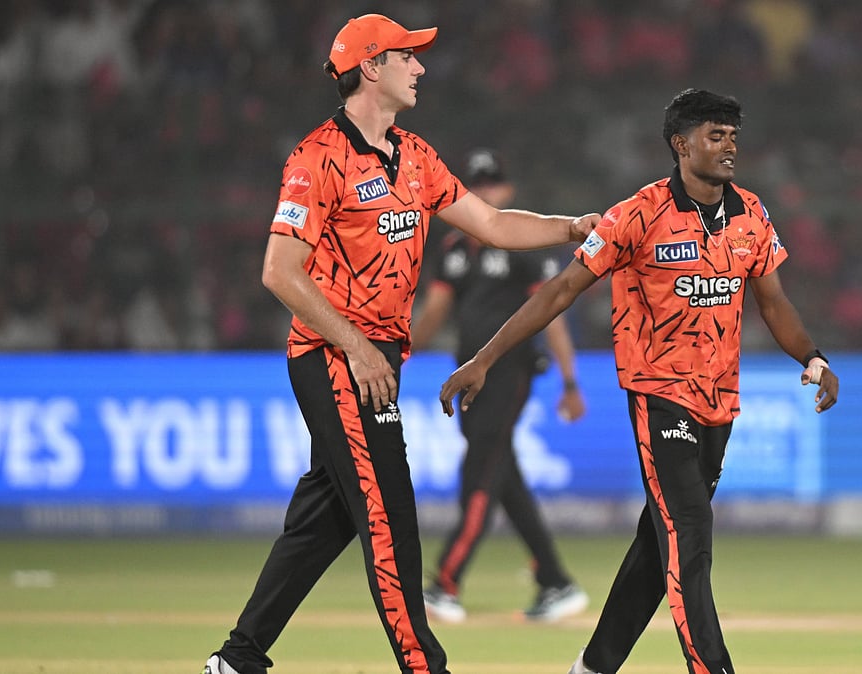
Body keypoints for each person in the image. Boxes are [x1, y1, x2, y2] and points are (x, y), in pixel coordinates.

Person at [202, 13, 599, 674]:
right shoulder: (316, 159)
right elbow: (279, 271)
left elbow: (494, 223)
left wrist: (570, 227)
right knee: (390, 515)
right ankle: (425, 666)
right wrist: (358, 349)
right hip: (336, 360)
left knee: (325, 518)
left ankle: (237, 660)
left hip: (374, 359)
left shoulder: (415, 157)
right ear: (369, 67)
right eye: (406, 57)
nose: (419, 67)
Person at [438, 89, 839, 674]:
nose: (729, 147)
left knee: (659, 547)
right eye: (715, 135)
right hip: (657, 398)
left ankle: (594, 666)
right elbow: (560, 290)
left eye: (733, 135)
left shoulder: (752, 214)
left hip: (719, 403)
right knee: (691, 533)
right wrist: (485, 358)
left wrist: (814, 356)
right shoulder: (636, 215)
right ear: (681, 144)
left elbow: (773, 302)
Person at [413, 148, 590, 623]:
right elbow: (433, 313)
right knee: (500, 474)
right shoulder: (453, 249)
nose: (486, 193)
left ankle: (445, 583)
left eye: (493, 186)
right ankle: (556, 581)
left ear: (507, 192)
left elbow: (552, 313)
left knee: (480, 472)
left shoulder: (523, 244)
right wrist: (394, 349)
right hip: (468, 378)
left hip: (508, 375)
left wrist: (570, 381)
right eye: (477, 186)